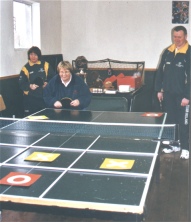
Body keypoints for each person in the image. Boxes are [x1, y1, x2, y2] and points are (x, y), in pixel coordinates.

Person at [155, 26, 190, 159]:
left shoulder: (189, 52)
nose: (177, 39)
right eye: (175, 37)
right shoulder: (167, 51)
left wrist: (188, 96)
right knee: (171, 120)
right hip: (168, 94)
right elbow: (160, 72)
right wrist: (159, 90)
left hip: (183, 96)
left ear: (185, 37)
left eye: (179, 37)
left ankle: (186, 148)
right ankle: (174, 145)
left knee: (183, 122)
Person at [19, 46, 55, 116]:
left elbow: (53, 77)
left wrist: (47, 83)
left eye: (35, 54)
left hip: (44, 97)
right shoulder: (25, 68)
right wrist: (30, 86)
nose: (33, 56)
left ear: (38, 55)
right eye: (31, 54)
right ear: (29, 56)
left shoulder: (45, 64)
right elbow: (21, 83)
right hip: (31, 98)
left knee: (46, 117)